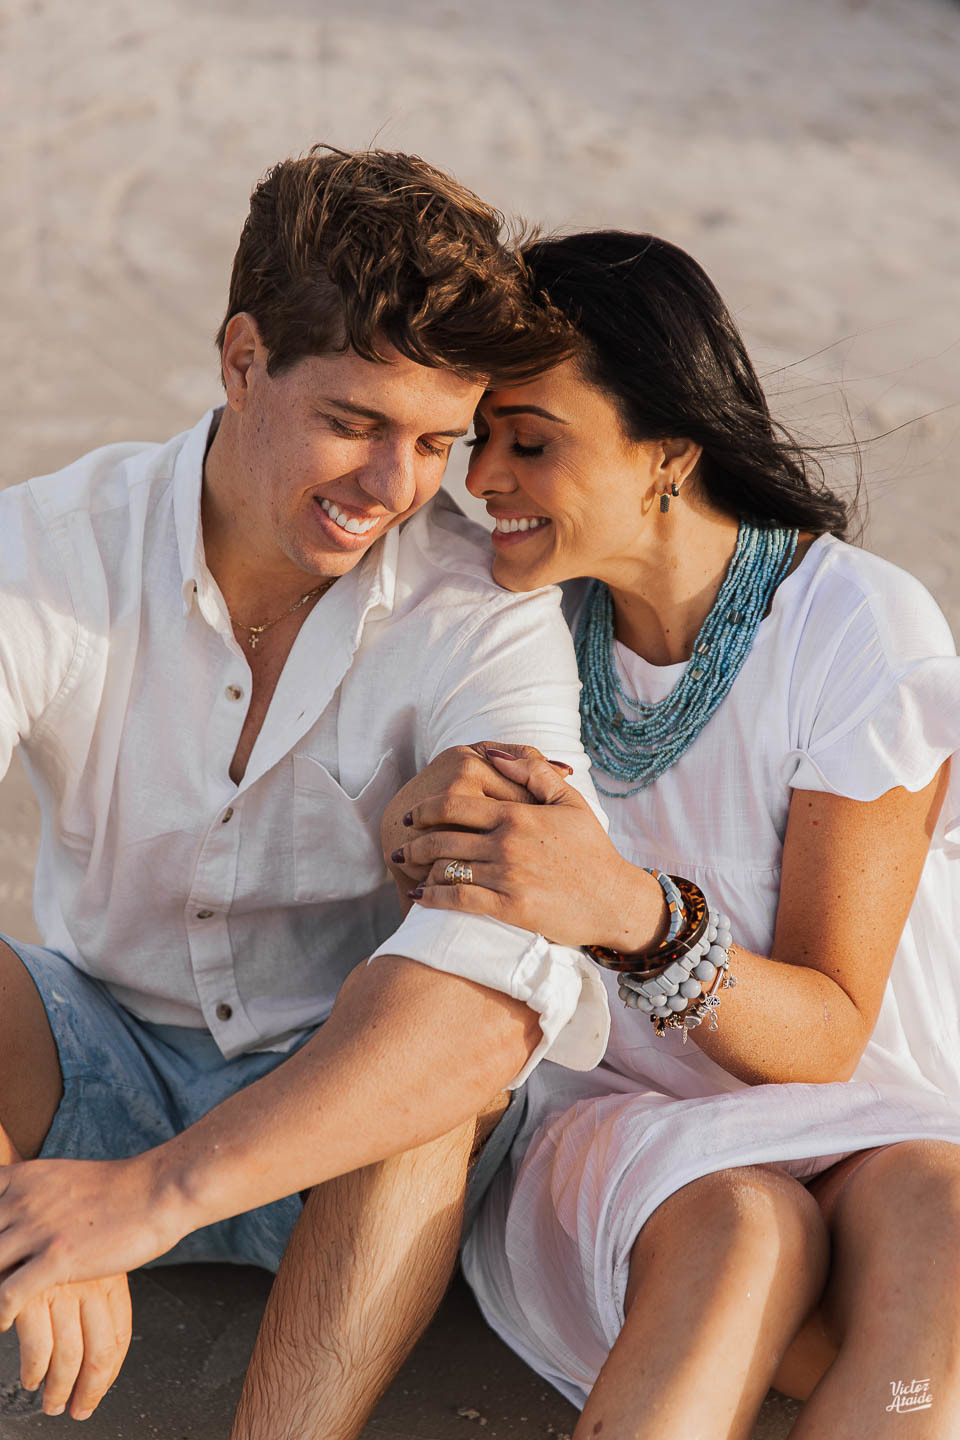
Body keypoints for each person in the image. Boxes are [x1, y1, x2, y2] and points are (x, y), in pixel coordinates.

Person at [0, 150, 615, 1439]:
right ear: (241, 361)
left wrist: (145, 1201)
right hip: (98, 1048)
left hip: (348, 1117)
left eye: (436, 443)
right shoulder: (51, 548)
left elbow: (506, 993)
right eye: (354, 421)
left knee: (451, 1044)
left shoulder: (481, 613)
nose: (393, 489)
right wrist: (25, 1204)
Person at [385, 231, 960, 1439]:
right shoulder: (509, 617)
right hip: (619, 1127)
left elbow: (831, 1035)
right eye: (479, 435)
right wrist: (407, 826)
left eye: (529, 440)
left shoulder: (855, 632)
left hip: (868, 1105)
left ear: (670, 454)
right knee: (749, 1233)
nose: (482, 477)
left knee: (939, 1239)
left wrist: (629, 911)